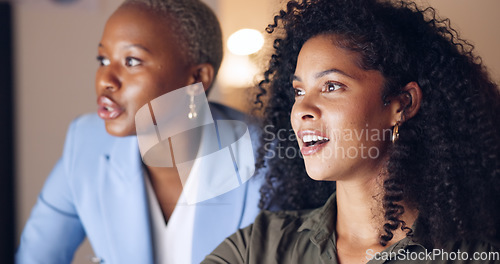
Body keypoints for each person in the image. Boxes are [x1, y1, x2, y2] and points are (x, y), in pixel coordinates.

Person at [203, 0, 500, 263]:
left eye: (331, 86)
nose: (302, 108)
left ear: (402, 104)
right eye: (298, 91)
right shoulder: (257, 247)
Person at [16, 0, 262, 263]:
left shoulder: (266, 158)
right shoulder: (87, 144)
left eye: (131, 61)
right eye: (103, 59)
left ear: (198, 78)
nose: (105, 80)